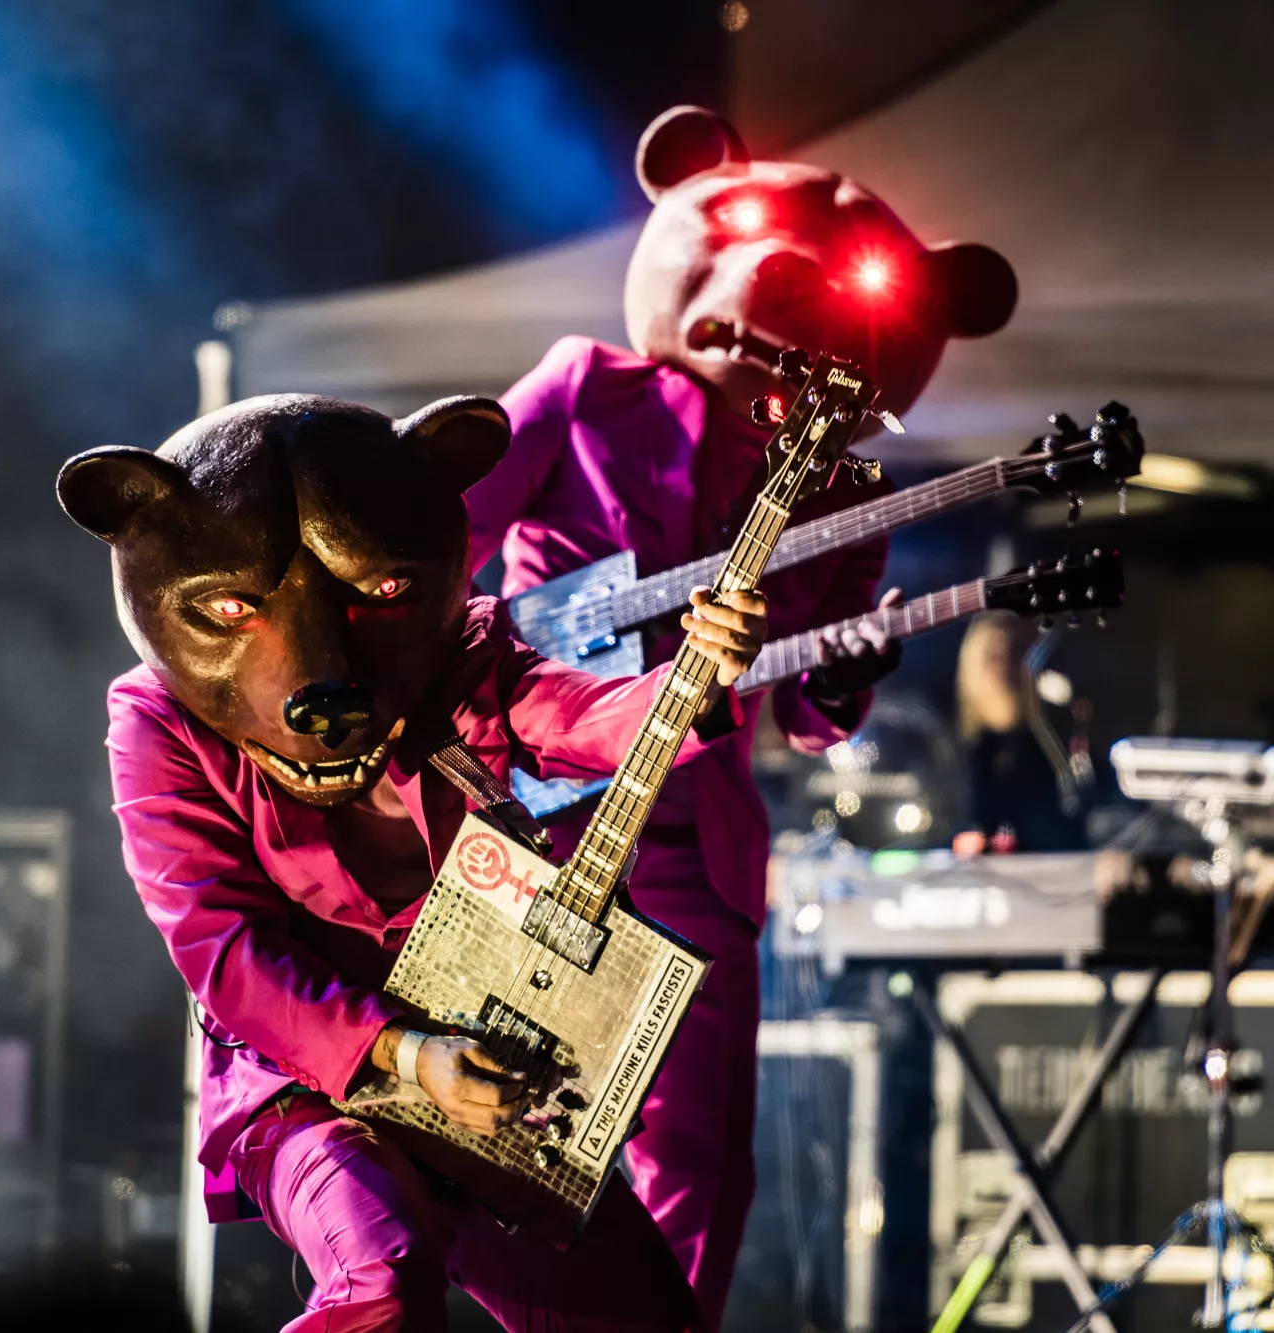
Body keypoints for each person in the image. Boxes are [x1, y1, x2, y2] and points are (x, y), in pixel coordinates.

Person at [459, 100, 1016, 1320]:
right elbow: (446, 536)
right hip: (526, 814)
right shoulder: (582, 391)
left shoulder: (842, 484)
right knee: (474, 1122)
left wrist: (829, 677)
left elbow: (822, 719)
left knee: (694, 1158)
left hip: (685, 839)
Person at [61, 392, 767, 1331]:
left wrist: (692, 685)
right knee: (380, 1283)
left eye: (381, 596)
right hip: (313, 1083)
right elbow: (220, 948)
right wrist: (400, 1052)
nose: (324, 679)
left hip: (492, 1067)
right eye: (235, 609)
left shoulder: (464, 652)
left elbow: (577, 714)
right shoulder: (158, 718)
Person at [956, 612, 1092, 851]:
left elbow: (1074, 820)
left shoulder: (1053, 740)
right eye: (994, 657)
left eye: (1017, 651)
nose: (1006, 665)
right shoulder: (955, 748)